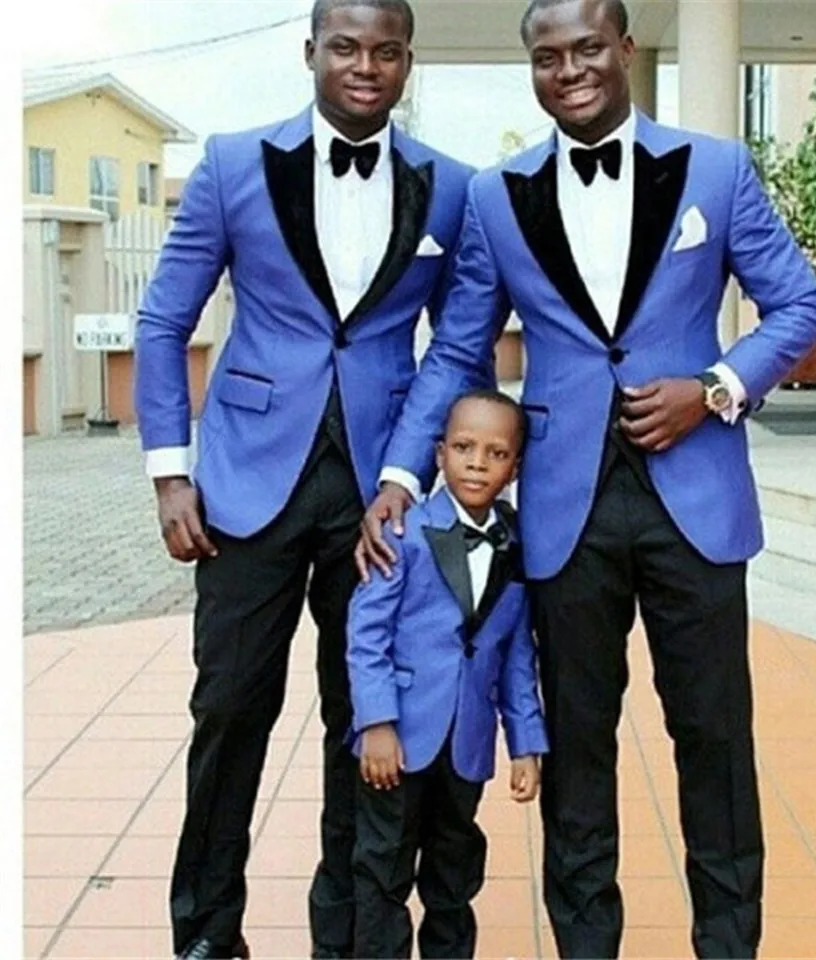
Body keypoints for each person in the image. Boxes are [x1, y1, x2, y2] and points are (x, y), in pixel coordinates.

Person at [356, 1, 816, 957]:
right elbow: (458, 349)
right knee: (577, 747)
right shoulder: (497, 196)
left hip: (696, 499)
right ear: (531, 68)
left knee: (715, 743)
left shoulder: (716, 170)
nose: (569, 69)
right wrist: (403, 472)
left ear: (623, 49)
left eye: (587, 49)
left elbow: (801, 305)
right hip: (563, 507)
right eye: (548, 57)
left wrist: (715, 387)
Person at [133, 0, 477, 955]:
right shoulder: (232, 165)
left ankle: (352, 934)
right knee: (229, 708)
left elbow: (456, 344)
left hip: (378, 491)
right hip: (246, 484)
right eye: (346, 47)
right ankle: (208, 931)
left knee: (364, 717)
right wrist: (169, 474)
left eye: (386, 51)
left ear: (407, 61)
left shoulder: (450, 187)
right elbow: (163, 320)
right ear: (310, 52)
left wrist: (406, 471)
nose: (366, 66)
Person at [346, 388, 548, 959]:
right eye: (463, 447)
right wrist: (376, 723)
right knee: (382, 869)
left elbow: (516, 656)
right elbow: (366, 635)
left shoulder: (515, 545)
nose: (477, 463)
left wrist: (525, 743)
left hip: (467, 745)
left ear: (515, 466)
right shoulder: (401, 532)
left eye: (496, 453)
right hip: (399, 741)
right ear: (439, 454)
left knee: (455, 874)